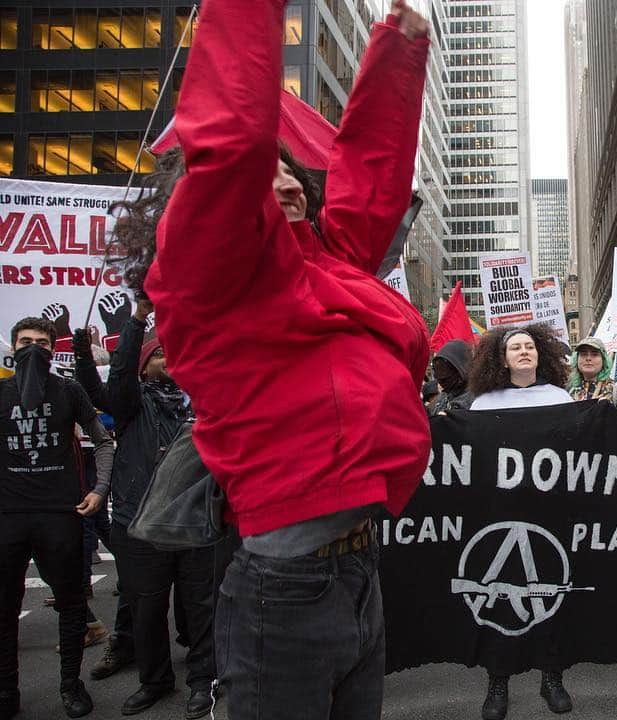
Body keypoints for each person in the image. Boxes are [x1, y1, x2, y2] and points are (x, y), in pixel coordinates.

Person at [128, 2, 434, 718]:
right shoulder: (213, 282)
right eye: (273, 176)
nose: (293, 183)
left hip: (359, 571)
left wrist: (396, 53)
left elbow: (369, 181)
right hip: (286, 590)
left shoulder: (330, 263)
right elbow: (232, 141)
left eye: (294, 173)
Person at [73, 300, 214, 718]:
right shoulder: (132, 404)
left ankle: (204, 680)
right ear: (142, 365)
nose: (167, 359)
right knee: (146, 609)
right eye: (158, 353)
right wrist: (136, 322)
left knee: (201, 606)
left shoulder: (198, 404)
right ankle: (154, 680)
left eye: (172, 352)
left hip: (193, 523)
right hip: (141, 525)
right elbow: (115, 378)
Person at [0, 317, 115, 719]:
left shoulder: (69, 391)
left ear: (53, 349)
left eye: (42, 343)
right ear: (13, 348)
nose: (34, 348)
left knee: (70, 604)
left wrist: (99, 490)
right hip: (9, 515)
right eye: (25, 341)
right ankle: (6, 690)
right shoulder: (0, 393)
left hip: (60, 514)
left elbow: (102, 439)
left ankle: (70, 684)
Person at [467, 324, 573, 720]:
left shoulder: (559, 397)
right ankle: (498, 683)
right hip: (499, 509)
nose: (524, 352)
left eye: (530, 346)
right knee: (499, 593)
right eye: (516, 347)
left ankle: (552, 678)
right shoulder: (484, 403)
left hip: (550, 510)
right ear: (502, 357)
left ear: (540, 354)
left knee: (550, 596)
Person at [429, 339, 474, 415]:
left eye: (444, 370)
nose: (440, 378)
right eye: (437, 369)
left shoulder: (477, 399)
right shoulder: (441, 399)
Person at [567, 337, 617, 403]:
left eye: (594, 354)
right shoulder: (569, 390)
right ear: (576, 359)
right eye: (583, 354)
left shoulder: (615, 390)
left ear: (604, 360)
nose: (588, 358)